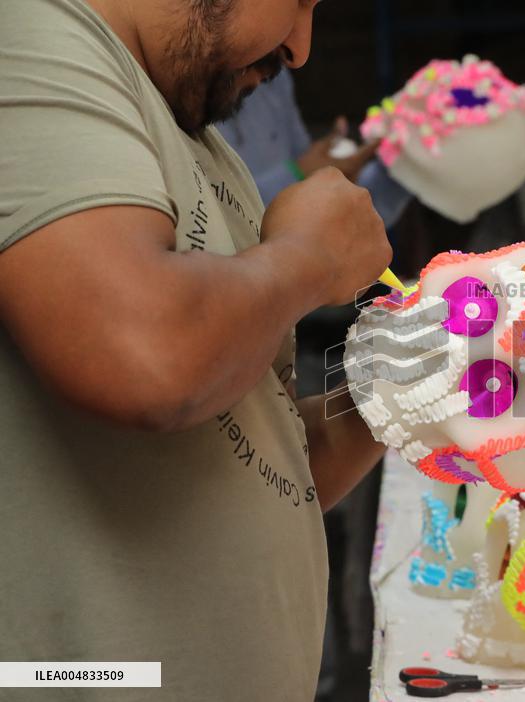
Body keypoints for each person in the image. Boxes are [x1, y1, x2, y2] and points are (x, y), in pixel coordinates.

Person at [0, 0, 392, 700]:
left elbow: (249, 458)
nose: (300, 47)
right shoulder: (26, 35)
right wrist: (310, 258)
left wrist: (408, 385)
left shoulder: (187, 133)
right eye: (300, 1)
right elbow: (148, 359)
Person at [217, 68, 413, 225]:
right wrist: (300, 171)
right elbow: (225, 207)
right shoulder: (197, 90)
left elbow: (341, 210)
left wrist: (403, 162)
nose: (298, 54)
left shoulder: (276, 76)